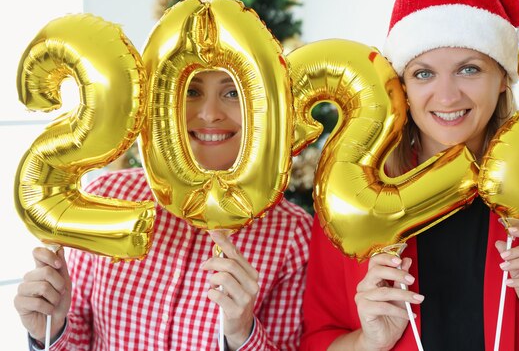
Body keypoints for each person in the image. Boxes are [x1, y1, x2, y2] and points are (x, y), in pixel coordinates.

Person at [300, 0, 519, 351]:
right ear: (403, 87)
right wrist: (369, 340)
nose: (446, 96)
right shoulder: (353, 202)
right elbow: (318, 340)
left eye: (469, 68)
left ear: (502, 78)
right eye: (424, 72)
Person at [14, 69, 313, 350]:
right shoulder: (106, 197)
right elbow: (80, 335)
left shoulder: (292, 233)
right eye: (192, 91)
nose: (209, 114)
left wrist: (241, 333)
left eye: (233, 93)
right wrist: (49, 329)